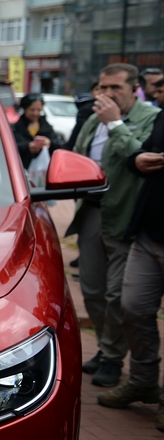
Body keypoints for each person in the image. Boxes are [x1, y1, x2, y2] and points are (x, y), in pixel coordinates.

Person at [69, 63, 160, 388]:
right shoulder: (94, 119)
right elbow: (76, 156)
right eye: (103, 88)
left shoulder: (150, 118)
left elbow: (140, 159)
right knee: (92, 290)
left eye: (116, 88)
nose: (107, 95)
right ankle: (105, 348)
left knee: (117, 294)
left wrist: (116, 123)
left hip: (125, 215)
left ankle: (111, 357)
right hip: (92, 212)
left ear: (134, 89)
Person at [99, 73, 164, 419]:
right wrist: (137, 160)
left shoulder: (149, 114)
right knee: (133, 308)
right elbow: (141, 157)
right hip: (149, 231)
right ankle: (143, 381)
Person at [11, 94, 56, 170]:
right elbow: (11, 147)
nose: (35, 113)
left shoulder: (47, 127)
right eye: (32, 110)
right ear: (25, 109)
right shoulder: (16, 128)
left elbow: (57, 145)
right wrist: (27, 147)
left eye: (39, 110)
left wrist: (49, 143)